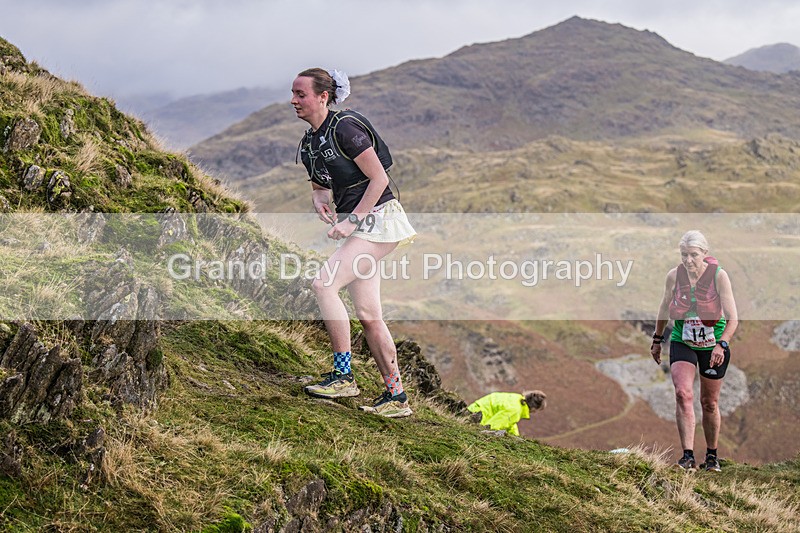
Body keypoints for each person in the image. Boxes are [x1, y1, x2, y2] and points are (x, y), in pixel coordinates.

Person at [291, 68, 416, 418]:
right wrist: (320, 201)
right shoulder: (311, 141)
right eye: (293, 93)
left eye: (301, 94)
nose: (293, 100)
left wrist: (352, 222)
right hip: (362, 224)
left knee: (324, 285)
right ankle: (396, 398)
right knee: (369, 315)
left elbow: (379, 179)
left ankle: (343, 376)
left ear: (322, 97)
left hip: (379, 219)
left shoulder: (345, 127)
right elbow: (319, 186)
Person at [651, 230, 738, 472]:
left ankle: (711, 456)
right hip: (683, 341)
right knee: (682, 394)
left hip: (713, 346)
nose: (688, 260)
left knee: (709, 402)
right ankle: (687, 456)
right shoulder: (674, 276)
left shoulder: (719, 277)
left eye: (693, 255)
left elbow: (733, 319)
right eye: (684, 255)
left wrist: (722, 344)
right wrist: (657, 339)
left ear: (705, 254)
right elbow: (663, 309)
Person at [466, 390, 547, 436]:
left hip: (473, 410)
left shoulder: (517, 399)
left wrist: (516, 437)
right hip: (475, 418)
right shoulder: (516, 410)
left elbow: (510, 423)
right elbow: (493, 425)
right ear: (534, 408)